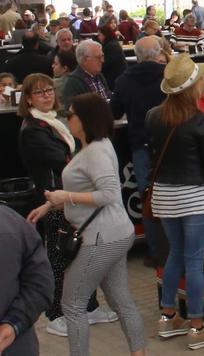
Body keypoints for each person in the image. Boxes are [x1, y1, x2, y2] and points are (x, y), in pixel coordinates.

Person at [25, 94, 146, 356]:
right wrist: (52, 204)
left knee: (72, 305)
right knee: (121, 301)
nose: (66, 118)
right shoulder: (97, 146)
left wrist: (64, 197)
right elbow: (91, 192)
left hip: (101, 237)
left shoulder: (95, 151)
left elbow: (109, 193)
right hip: (113, 232)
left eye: (70, 114)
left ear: (86, 118)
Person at [16, 74, 114, 338]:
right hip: (54, 199)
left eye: (49, 90)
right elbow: (64, 160)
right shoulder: (34, 129)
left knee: (83, 253)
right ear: (28, 98)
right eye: (39, 93)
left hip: (70, 195)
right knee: (60, 257)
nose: (47, 95)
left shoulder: (54, 122)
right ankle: (56, 314)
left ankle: (89, 306)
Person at [147, 54, 204, 349]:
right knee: (194, 260)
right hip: (195, 195)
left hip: (165, 196)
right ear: (193, 86)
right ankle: (197, 324)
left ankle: (168, 316)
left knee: (175, 253)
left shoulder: (154, 115)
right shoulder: (200, 120)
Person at [109, 36, 167, 264]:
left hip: (141, 146)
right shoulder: (168, 76)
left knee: (149, 200)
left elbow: (113, 112)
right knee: (173, 197)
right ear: (158, 52)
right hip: (169, 145)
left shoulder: (124, 80)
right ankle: (175, 250)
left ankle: (156, 253)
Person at [1, 202, 54, 356]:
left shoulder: (14, 224)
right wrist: (13, 324)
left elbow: (41, 284)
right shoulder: (14, 222)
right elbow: (41, 284)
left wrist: (12, 326)